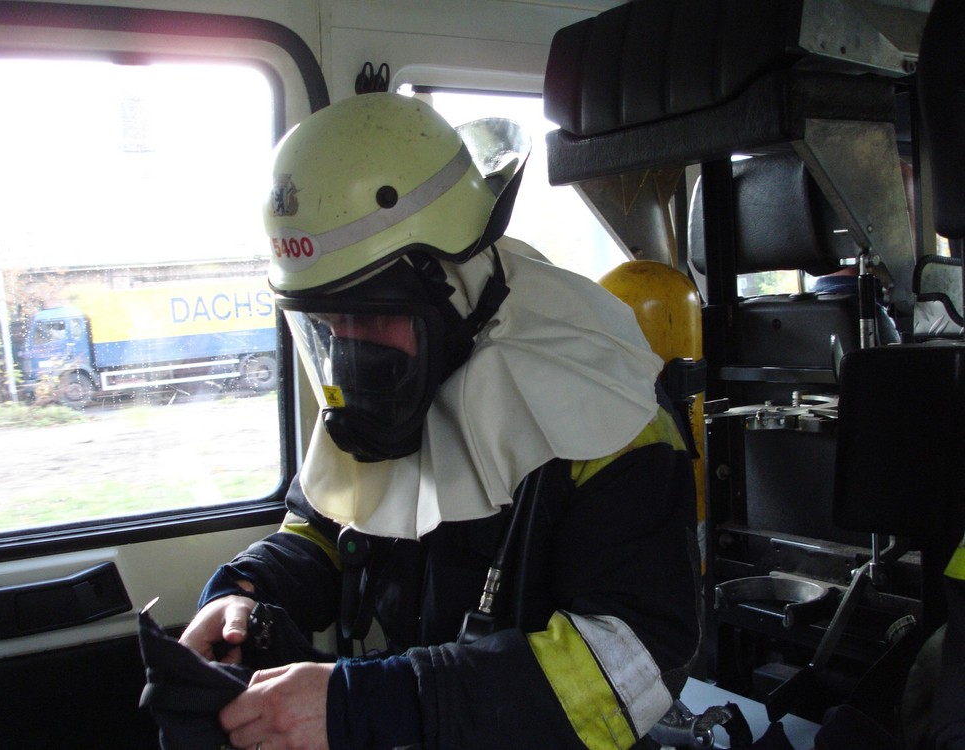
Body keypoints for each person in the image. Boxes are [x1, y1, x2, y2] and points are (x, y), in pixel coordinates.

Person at [179, 92, 701, 750]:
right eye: (327, 324)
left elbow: (632, 670)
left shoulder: (611, 414)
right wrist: (244, 598)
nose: (349, 346)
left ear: (447, 283)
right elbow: (320, 529)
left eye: (367, 315)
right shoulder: (394, 370)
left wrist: (367, 704)